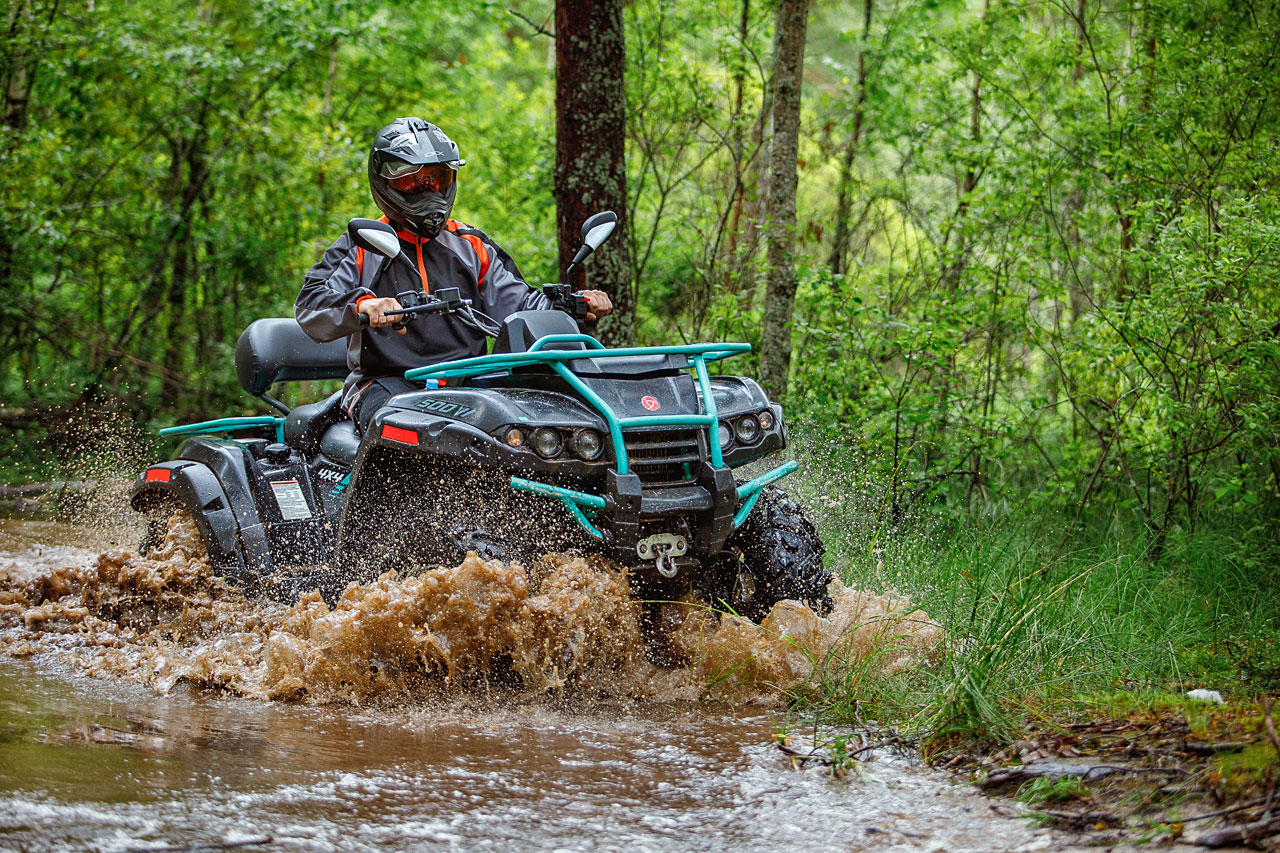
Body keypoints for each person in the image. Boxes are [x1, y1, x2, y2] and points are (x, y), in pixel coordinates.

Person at [295, 117, 612, 432]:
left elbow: (521, 304)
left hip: (470, 381)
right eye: (412, 181)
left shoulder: (471, 245)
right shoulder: (362, 244)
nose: (427, 190)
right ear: (384, 182)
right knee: (404, 432)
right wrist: (363, 305)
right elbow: (310, 304)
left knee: (540, 426)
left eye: (437, 179)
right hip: (385, 382)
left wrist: (573, 305)